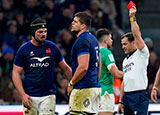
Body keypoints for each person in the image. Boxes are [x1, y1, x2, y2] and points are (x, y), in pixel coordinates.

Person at [12, 18, 72, 115]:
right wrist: (22, 94)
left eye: (45, 31)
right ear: (33, 32)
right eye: (40, 32)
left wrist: (74, 83)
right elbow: (15, 73)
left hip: (48, 95)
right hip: (29, 96)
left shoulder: (52, 47)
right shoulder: (23, 50)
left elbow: (64, 68)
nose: (43, 34)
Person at [117, 6, 150, 115]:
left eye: (125, 44)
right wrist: (121, 101)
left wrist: (132, 18)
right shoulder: (125, 60)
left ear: (134, 43)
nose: (123, 47)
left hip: (139, 95)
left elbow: (137, 35)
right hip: (127, 96)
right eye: (122, 45)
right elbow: (124, 82)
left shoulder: (142, 53)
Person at [67, 12, 101, 114]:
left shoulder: (82, 41)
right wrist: (94, 81)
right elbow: (99, 65)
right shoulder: (93, 39)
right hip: (94, 87)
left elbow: (83, 67)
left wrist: (71, 83)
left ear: (83, 26)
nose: (72, 23)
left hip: (83, 88)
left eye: (75, 22)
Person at [95, 28, 123, 115]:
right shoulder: (107, 53)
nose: (112, 40)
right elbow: (116, 73)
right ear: (106, 40)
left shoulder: (92, 52)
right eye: (110, 38)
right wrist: (130, 74)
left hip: (93, 91)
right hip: (105, 93)